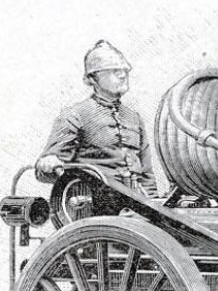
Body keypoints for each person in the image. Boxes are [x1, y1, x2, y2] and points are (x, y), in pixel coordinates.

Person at [35, 40, 158, 196]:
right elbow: (44, 172)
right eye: (114, 71)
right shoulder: (74, 115)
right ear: (93, 78)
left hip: (136, 204)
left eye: (125, 70)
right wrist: (48, 163)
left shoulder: (133, 118)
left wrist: (153, 203)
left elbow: (146, 174)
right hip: (94, 203)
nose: (123, 75)